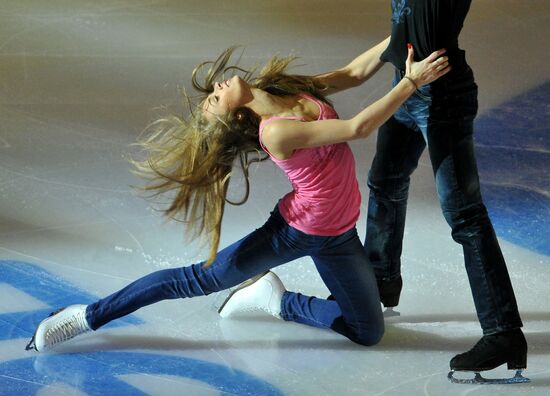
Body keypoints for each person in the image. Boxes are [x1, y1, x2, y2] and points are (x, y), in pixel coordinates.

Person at [25, 43, 449, 353]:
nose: (216, 87)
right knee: (196, 279)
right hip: (298, 231)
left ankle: (277, 300)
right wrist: (411, 81)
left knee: (368, 332)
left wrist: (397, 38)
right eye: (214, 99)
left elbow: (354, 73)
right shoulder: (275, 131)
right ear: (233, 117)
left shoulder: (286, 88)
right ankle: (87, 316)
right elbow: (357, 128)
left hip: (338, 233)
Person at [322, 0, 527, 384]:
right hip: (406, 89)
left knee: (465, 216)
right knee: (384, 182)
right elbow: (359, 67)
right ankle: (381, 279)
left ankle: (504, 334)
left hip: (444, 98)